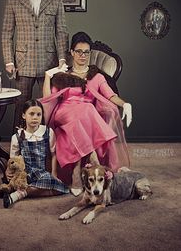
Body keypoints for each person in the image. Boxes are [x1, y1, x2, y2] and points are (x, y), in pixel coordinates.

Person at [40, 32, 132, 196]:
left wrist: (125, 104)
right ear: (72, 52)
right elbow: (48, 98)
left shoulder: (96, 76)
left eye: (86, 52)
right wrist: (48, 77)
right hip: (64, 112)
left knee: (87, 109)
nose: (83, 55)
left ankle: (77, 170)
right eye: (79, 51)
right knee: (87, 110)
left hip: (84, 118)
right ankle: (94, 160)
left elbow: (110, 95)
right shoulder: (63, 75)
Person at [2, 0, 69, 127]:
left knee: (49, 105)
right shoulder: (14, 1)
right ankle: (17, 146)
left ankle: (48, 145)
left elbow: (61, 31)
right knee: (21, 106)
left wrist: (62, 59)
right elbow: (6, 33)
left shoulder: (55, 0)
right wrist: (9, 61)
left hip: (49, 65)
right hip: (23, 63)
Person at [1, 99, 69, 208]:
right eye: (31, 114)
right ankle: (20, 192)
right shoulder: (17, 136)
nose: (35, 117)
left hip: (41, 172)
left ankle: (21, 193)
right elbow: (13, 160)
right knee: (28, 183)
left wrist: (54, 173)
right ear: (24, 115)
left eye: (39, 114)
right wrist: (8, 170)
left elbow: (53, 154)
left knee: (61, 189)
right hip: (25, 172)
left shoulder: (47, 132)